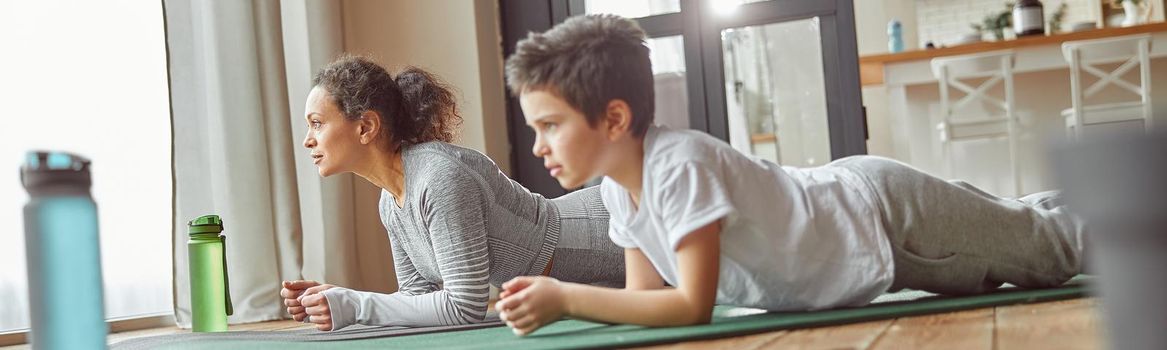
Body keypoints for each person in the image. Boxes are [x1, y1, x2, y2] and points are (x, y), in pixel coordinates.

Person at [494, 14, 1087, 336]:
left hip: (887, 220)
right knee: (1017, 222)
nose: (538, 145)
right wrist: (560, 301)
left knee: (1055, 250)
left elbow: (691, 306)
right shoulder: (621, 194)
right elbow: (646, 298)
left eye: (549, 125)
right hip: (858, 201)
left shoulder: (680, 167)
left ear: (614, 118)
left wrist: (566, 298)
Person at [282, 55, 625, 331]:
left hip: (608, 235)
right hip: (586, 278)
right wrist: (338, 298)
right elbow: (418, 297)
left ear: (365, 127)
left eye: (317, 123)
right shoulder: (390, 200)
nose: (307, 139)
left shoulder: (439, 178)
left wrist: (356, 304)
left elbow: (464, 306)